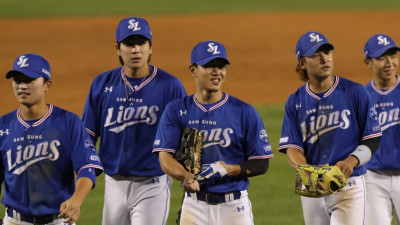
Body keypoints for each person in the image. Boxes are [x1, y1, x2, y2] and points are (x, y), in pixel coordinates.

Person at [153, 40, 273, 225]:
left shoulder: (244, 112)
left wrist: (227, 169)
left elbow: (261, 163)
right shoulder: (177, 110)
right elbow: (164, 158)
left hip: (234, 208)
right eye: (209, 66)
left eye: (221, 66)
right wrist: (186, 177)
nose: (216, 71)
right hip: (194, 206)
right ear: (193, 70)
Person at [81, 17, 186, 225]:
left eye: (141, 43)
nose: (136, 50)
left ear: (150, 48)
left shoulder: (170, 86)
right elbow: (87, 136)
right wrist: (80, 174)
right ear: (118, 49)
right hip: (113, 185)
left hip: (152, 184)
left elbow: (184, 140)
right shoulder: (102, 84)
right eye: (129, 44)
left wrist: (186, 187)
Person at [278, 31, 382, 225]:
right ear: (302, 63)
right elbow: (292, 146)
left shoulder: (355, 92)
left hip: (348, 184)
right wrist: (306, 170)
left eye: (327, 52)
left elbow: (372, 137)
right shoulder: (295, 101)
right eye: (316, 54)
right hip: (311, 186)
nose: (324, 58)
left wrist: (351, 162)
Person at [0, 53, 103, 225]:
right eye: (17, 80)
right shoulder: (3, 125)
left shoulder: (68, 122)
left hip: (58, 221)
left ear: (47, 85)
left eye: (29, 80)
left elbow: (87, 168)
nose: (22, 86)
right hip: (14, 221)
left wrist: (77, 200)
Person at [363, 34, 400, 225]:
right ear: (368, 62)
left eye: (393, 56)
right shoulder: (360, 98)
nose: (389, 63)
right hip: (373, 179)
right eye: (381, 58)